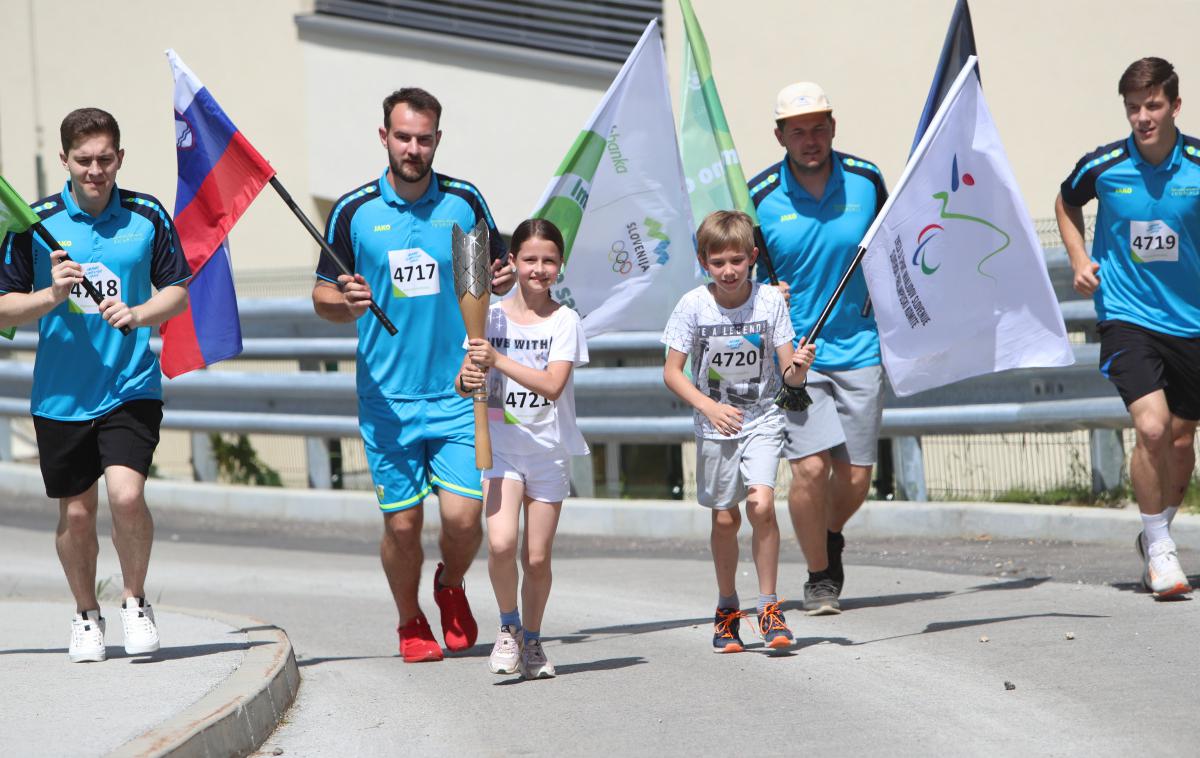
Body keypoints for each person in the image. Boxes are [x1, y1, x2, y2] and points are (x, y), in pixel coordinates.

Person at [313, 88, 514, 662]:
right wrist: (343, 302)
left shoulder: (463, 200)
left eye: (424, 139)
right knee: (402, 528)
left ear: (437, 141)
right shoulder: (354, 210)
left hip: (457, 391)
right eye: (403, 137)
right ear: (385, 138)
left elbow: (490, 273)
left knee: (464, 519)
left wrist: (501, 281)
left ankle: (449, 584)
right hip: (387, 399)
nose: (413, 148)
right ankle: (409, 621)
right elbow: (322, 295)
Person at [0, 108, 191, 662]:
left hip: (131, 384)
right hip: (60, 394)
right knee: (77, 513)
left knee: (127, 496)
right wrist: (49, 296)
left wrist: (138, 313)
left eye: (105, 159)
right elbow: (4, 305)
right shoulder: (33, 223)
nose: (95, 170)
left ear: (120, 158)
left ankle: (135, 602)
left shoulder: (146, 214)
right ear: (65, 161)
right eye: (83, 160)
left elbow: (177, 290)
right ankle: (87, 613)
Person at [1055, 57, 1200, 598]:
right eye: (1134, 108)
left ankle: (1157, 530)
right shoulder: (1105, 165)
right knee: (1154, 428)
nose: (1143, 117)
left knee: (1182, 443)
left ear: (1175, 106)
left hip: (1192, 321)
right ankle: (1160, 548)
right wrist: (1077, 258)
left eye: (1153, 105)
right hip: (1127, 316)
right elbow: (1066, 202)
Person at [747, 82, 888, 614]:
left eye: (819, 127)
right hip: (795, 359)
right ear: (780, 135)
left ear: (833, 126)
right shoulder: (758, 195)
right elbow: (730, 266)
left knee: (854, 478)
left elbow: (897, 243)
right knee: (810, 469)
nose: (810, 139)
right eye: (798, 131)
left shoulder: (868, 179)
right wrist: (763, 289)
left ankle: (828, 534)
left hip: (861, 347)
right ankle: (819, 576)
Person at [662, 210, 816, 653]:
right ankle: (728, 607)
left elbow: (789, 373)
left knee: (761, 505)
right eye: (718, 262)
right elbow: (672, 373)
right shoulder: (693, 306)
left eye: (736, 260)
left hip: (763, 418)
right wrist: (709, 407)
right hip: (715, 425)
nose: (728, 271)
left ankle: (769, 606)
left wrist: (799, 369)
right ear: (703, 262)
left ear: (752, 257)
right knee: (726, 518)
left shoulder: (770, 302)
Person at [456, 218, 588, 679]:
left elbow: (553, 384)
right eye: (529, 259)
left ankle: (533, 640)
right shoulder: (487, 315)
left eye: (548, 260)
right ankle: (508, 627)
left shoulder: (565, 320)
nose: (539, 268)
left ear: (560, 265)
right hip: (503, 448)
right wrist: (468, 376)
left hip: (548, 450)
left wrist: (497, 360)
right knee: (500, 543)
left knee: (535, 558)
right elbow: (464, 377)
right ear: (512, 262)